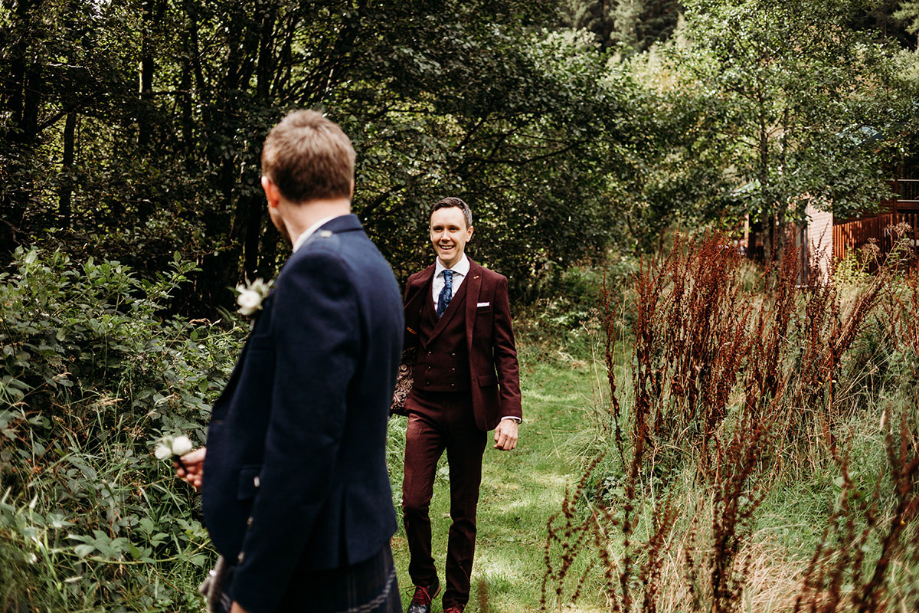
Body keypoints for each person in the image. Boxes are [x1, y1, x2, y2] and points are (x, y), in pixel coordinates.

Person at [175, 110, 404, 613]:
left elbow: (305, 451)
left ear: (270, 190)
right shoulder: (370, 261)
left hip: (313, 570)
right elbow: (329, 414)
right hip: (357, 548)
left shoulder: (317, 270)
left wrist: (250, 596)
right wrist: (233, 460)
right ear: (348, 180)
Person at [400, 197, 522, 613]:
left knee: (462, 512)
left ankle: (455, 598)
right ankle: (425, 583)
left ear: (469, 233)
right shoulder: (416, 283)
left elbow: (505, 352)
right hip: (425, 408)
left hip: (471, 410)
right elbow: (404, 344)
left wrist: (510, 413)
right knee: (413, 503)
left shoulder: (491, 284)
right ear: (430, 233)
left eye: (453, 229)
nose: (445, 237)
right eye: (438, 229)